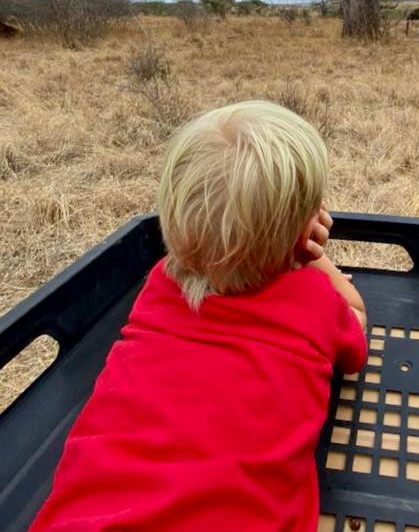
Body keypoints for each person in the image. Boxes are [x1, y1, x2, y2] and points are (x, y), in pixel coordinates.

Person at [29, 101, 367, 532]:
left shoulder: (159, 286)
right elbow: (356, 321)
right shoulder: (314, 300)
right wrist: (315, 259)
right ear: (303, 232)